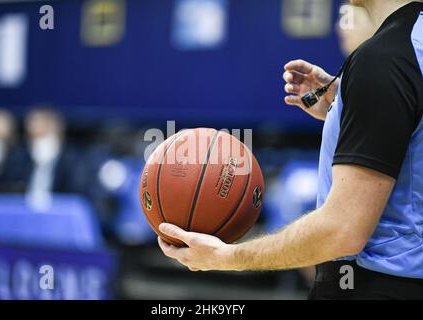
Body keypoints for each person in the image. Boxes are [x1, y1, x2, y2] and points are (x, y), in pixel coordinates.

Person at [157, 1, 423, 299]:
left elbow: (341, 231)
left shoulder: (385, 57)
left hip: (374, 287)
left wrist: (226, 257)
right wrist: (345, 109)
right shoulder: (412, 47)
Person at [24, 108, 81, 200]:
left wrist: (48, 165)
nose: (38, 141)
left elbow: (76, 194)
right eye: (33, 136)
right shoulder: (22, 159)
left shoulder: (72, 161)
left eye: (43, 134)